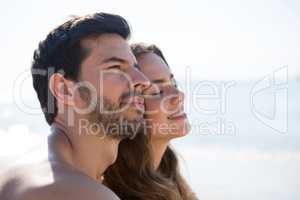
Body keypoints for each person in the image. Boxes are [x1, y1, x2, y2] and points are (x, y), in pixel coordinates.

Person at [0, 13, 150, 200]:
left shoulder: (24, 175)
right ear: (64, 89)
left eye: (136, 68)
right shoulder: (79, 193)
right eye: (116, 68)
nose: (143, 81)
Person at [104, 44, 198, 200]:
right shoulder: (112, 193)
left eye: (173, 83)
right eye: (157, 92)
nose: (179, 95)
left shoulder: (168, 171)